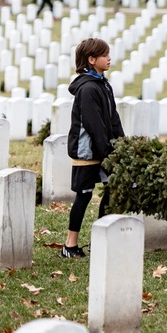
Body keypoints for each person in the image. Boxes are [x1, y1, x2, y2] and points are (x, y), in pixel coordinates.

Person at [63, 38, 125, 259]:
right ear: (91, 60)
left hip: (106, 148)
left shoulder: (103, 85)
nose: (109, 58)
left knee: (112, 189)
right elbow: (93, 124)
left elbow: (112, 118)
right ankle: (70, 245)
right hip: (87, 151)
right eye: (104, 55)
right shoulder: (88, 88)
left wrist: (122, 145)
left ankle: (102, 239)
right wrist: (106, 152)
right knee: (84, 195)